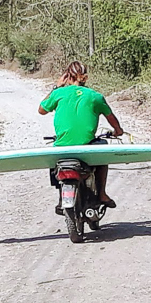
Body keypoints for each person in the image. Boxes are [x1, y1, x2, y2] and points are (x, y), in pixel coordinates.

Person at [38, 61, 123, 206]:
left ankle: (61, 195)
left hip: (63, 147)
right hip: (87, 146)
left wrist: (56, 87)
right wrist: (118, 131)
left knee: (55, 160)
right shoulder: (95, 96)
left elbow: (41, 110)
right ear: (85, 77)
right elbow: (112, 119)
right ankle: (101, 194)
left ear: (67, 77)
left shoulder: (58, 93)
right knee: (102, 155)